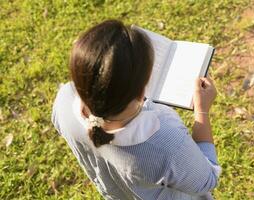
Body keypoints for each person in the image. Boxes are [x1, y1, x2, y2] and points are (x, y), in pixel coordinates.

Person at [51, 19, 221, 200]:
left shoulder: (63, 100)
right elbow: (207, 179)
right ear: (142, 91)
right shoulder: (165, 142)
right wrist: (202, 111)